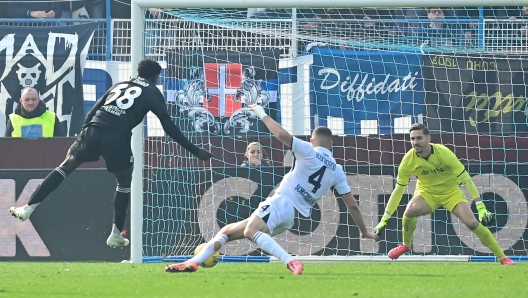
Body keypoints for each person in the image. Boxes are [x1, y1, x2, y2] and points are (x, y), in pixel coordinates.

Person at [9, 59, 213, 248]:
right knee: (124, 181)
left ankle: (28, 207)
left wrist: (83, 135)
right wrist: (195, 150)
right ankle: (116, 233)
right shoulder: (152, 91)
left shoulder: (119, 85)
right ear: (155, 77)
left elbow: (94, 109)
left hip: (93, 129)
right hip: (116, 136)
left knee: (66, 166)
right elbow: (166, 124)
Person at [165, 104, 379, 275]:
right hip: (291, 215)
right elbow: (352, 204)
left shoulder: (309, 150)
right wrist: (363, 231)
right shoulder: (337, 170)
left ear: (312, 140)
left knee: (250, 231)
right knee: (227, 231)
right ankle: (191, 263)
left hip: (280, 202)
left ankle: (289, 260)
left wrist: (261, 112)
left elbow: (282, 136)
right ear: (331, 144)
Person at [374, 123, 515, 265]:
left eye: (419, 138)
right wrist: (384, 219)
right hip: (427, 192)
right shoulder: (407, 161)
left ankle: (502, 257)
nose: (415, 142)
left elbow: (466, 179)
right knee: (410, 211)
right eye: (412, 139)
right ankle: (406, 245)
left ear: (428, 138)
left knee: (472, 223)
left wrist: (480, 205)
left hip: (451, 192)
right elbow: (398, 190)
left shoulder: (444, 153)